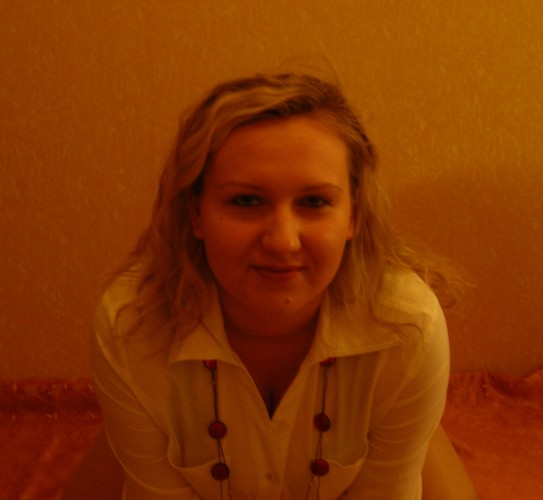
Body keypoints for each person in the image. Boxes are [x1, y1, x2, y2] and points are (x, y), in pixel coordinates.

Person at [86, 72, 477, 499]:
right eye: (247, 201)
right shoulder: (129, 328)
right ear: (196, 213)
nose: (283, 242)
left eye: (314, 202)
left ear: (353, 216)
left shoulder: (408, 330)